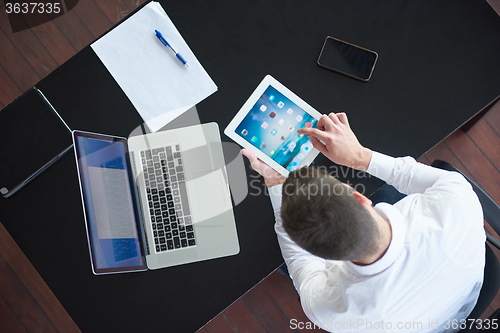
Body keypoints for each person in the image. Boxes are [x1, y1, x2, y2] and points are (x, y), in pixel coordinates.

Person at [241, 112, 485, 332]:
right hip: (455, 304)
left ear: (322, 258)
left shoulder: (327, 309)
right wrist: (358, 155)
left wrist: (274, 182)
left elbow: (298, 260)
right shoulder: (459, 205)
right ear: (360, 197)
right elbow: (410, 174)